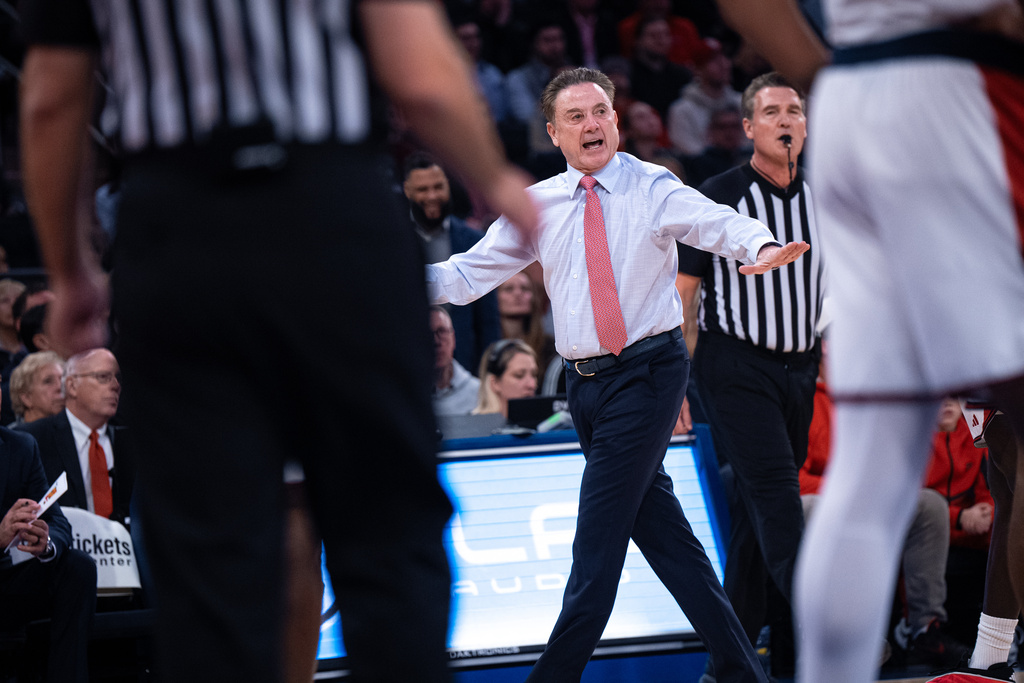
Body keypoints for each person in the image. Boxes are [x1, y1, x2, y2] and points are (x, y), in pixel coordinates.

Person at [18, 3, 539, 683]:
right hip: (334, 216)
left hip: (179, 231)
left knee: (211, 557)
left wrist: (69, 266)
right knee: (387, 532)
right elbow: (422, 76)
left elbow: (53, 99)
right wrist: (493, 177)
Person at [427, 66, 810, 683]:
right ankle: (741, 671)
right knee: (667, 541)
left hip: (650, 373)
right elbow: (469, 275)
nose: (592, 125)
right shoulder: (538, 204)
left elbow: (717, 222)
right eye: (576, 117)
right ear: (554, 133)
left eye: (600, 111)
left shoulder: (653, 185)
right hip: (584, 387)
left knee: (596, 545)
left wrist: (760, 247)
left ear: (615, 117)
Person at [708, 2, 1024, 682]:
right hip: (963, 91)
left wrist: (826, 75)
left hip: (853, 97)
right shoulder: (727, 192)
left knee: (872, 473)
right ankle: (999, 650)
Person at [675, 72, 825, 673]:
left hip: (801, 366)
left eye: (794, 110)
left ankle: (732, 662)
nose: (785, 120)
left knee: (754, 519)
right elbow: (683, 299)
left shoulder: (827, 194)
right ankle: (822, 644)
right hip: (734, 365)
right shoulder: (719, 195)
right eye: (771, 112)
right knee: (778, 499)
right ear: (748, 127)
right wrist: (679, 385)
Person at [802, 380, 969, 669]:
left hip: (868, 493)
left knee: (929, 505)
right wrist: (850, 488)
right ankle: (848, 636)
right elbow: (791, 479)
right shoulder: (805, 398)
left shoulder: (871, 393)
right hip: (820, 498)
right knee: (816, 511)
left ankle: (924, 632)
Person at [1, 422, 97, 683]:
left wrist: (46, 543)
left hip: (4, 585)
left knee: (78, 566)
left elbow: (58, 521)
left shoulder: (21, 446)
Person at [404, 152, 501, 374]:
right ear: (407, 191)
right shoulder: (393, 240)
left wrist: (488, 375)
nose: (431, 196)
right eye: (422, 190)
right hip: (411, 365)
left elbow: (487, 321)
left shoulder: (474, 240)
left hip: (465, 368)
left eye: (438, 187)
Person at [16, 349, 132, 526]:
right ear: (71, 386)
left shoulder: (131, 443)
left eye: (117, 378)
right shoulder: (33, 440)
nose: (115, 385)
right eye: (103, 377)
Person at [666, 38, 742, 157]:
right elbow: (688, 151)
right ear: (697, 70)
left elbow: (751, 145)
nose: (723, 64)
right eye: (713, 60)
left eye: (724, 57)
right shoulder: (682, 110)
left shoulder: (742, 103)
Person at [496, 270, 556, 371]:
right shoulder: (483, 342)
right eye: (509, 289)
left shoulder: (549, 346)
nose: (518, 293)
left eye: (524, 289)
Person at [430, 306, 480, 417]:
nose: (436, 341)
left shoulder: (479, 392)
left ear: (453, 337)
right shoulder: (405, 395)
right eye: (428, 333)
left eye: (442, 331)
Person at [472, 338, 539, 417]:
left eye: (534, 375)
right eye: (519, 375)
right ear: (495, 383)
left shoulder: (544, 426)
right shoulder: (472, 426)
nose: (532, 385)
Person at [8, 350, 65, 427]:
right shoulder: (10, 438)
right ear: (27, 398)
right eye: (48, 381)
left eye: (62, 379)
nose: (59, 387)